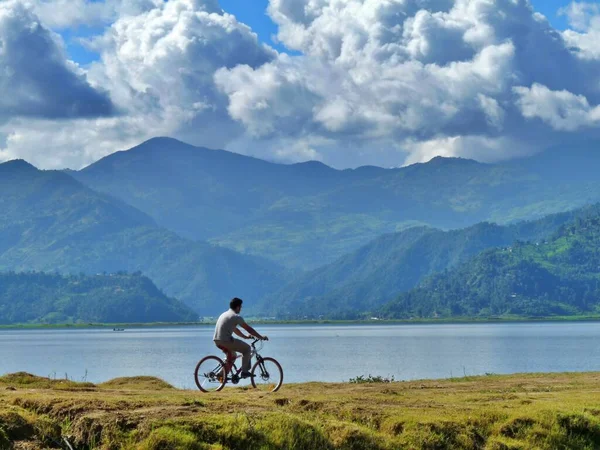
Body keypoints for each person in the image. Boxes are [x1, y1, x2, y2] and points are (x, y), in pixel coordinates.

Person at [213, 297, 268, 378]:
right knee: (247, 349)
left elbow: (235, 329)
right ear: (238, 307)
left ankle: (221, 374)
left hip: (217, 341)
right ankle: (245, 372)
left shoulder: (224, 314)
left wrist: (245, 337)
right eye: (241, 307)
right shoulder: (236, 317)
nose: (241, 309)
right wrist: (260, 337)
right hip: (226, 341)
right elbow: (249, 329)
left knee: (233, 355)